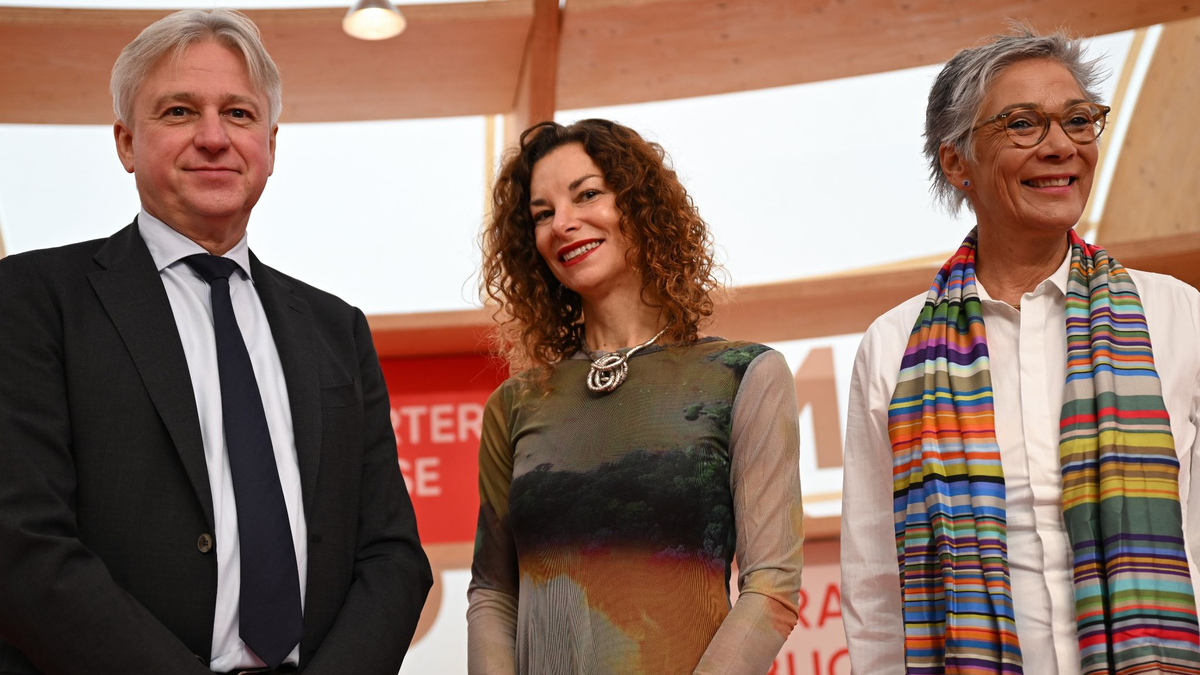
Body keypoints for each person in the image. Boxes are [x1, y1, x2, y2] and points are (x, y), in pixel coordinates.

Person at [0, 9, 431, 674]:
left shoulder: (336, 328)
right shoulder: (33, 299)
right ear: (124, 141)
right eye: (178, 111)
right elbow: (22, 545)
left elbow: (392, 554)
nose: (213, 137)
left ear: (271, 144)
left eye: (238, 113)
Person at [841, 26, 1200, 674]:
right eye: (1023, 124)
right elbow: (875, 590)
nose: (1061, 145)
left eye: (1078, 120)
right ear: (957, 162)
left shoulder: (1177, 315)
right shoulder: (893, 346)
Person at [467, 119, 804, 674]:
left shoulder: (744, 375)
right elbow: (493, 593)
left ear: (642, 204)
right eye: (542, 214)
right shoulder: (515, 404)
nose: (564, 224)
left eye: (587, 195)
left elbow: (772, 586)